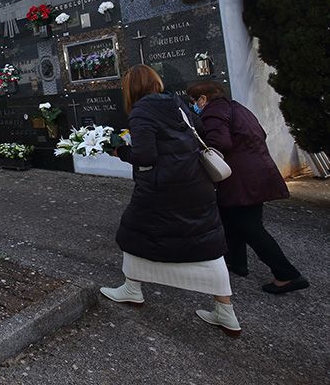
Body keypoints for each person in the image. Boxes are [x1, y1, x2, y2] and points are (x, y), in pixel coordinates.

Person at [100, 65, 241, 336]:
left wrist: (120, 151)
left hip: (161, 189)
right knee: (207, 243)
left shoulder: (141, 111)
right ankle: (226, 311)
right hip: (195, 184)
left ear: (131, 88)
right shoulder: (177, 103)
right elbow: (197, 133)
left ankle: (132, 289)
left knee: (133, 233)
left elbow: (146, 156)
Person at [187, 81, 309, 294]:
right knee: (232, 220)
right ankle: (237, 263)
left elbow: (218, 143)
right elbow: (261, 134)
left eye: (194, 101)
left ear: (203, 99)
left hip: (239, 179)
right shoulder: (238, 108)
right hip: (257, 173)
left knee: (250, 228)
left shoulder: (213, 112)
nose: (195, 106)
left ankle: (287, 274)